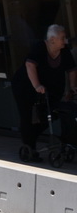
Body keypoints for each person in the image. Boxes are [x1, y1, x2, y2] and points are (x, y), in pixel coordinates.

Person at [10, 24, 77, 162]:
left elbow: (71, 69)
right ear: (52, 39)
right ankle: (30, 148)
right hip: (25, 86)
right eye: (62, 38)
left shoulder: (64, 52)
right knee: (28, 116)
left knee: (53, 113)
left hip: (49, 89)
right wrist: (37, 85)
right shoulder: (40, 47)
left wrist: (72, 87)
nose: (65, 41)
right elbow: (30, 64)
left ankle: (39, 138)